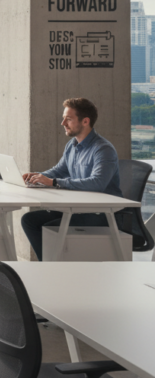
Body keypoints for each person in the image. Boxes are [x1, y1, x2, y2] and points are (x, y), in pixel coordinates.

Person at [20, 98, 121, 260]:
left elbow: (98, 183)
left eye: (68, 119)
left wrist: (53, 182)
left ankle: (53, 268)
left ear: (85, 121)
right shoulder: (72, 145)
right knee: (29, 220)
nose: (62, 123)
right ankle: (48, 265)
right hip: (78, 207)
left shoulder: (103, 149)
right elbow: (59, 170)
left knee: (49, 227)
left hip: (101, 212)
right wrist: (37, 176)